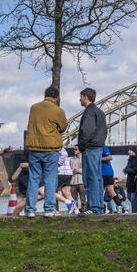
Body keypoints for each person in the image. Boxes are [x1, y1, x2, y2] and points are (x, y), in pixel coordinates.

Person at [24, 86, 68, 218]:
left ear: (45, 95)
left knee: (33, 179)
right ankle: (49, 209)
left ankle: (30, 210)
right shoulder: (58, 110)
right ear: (57, 97)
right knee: (50, 179)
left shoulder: (34, 107)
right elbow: (64, 127)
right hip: (51, 149)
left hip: (35, 147)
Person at [77, 88, 107, 215]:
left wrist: (81, 146)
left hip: (90, 149)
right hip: (98, 148)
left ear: (85, 97)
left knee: (90, 179)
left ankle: (94, 208)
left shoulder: (89, 112)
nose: (79, 99)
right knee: (98, 179)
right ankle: (99, 206)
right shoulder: (100, 112)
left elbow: (87, 132)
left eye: (81, 97)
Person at [101, 144, 123, 211]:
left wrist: (99, 159)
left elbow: (110, 157)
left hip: (105, 173)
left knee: (98, 192)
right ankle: (120, 208)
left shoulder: (103, 147)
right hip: (107, 173)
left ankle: (100, 208)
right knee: (111, 192)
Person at [56, 147, 78, 214]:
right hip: (68, 173)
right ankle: (77, 211)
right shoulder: (59, 145)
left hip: (60, 173)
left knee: (49, 191)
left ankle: (68, 202)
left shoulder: (57, 146)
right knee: (66, 193)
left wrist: (58, 163)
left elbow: (64, 154)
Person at [123, 148, 137, 213]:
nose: (128, 151)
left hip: (135, 181)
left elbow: (135, 170)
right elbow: (127, 167)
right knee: (128, 196)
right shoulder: (130, 159)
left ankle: (135, 212)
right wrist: (125, 169)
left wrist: (127, 170)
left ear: (133, 152)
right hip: (129, 181)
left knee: (133, 198)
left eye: (130, 150)